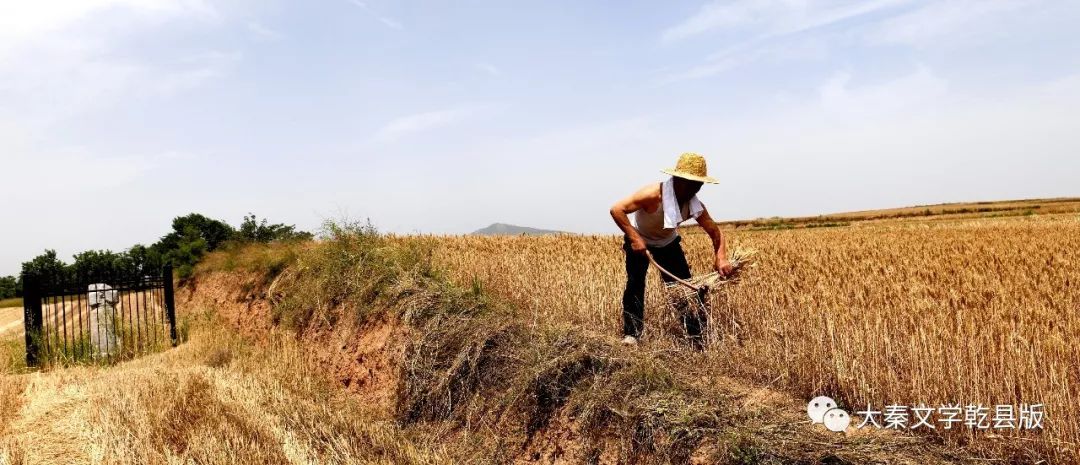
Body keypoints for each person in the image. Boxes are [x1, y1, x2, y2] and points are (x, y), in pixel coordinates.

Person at [609, 152, 733, 347]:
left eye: (699, 184)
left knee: (684, 290)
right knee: (635, 284)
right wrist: (635, 238)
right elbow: (617, 209)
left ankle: (696, 338)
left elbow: (715, 232)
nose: (696, 188)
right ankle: (631, 334)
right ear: (677, 180)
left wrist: (721, 257)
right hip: (640, 240)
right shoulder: (652, 195)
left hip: (668, 244)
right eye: (691, 183)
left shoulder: (695, 205)